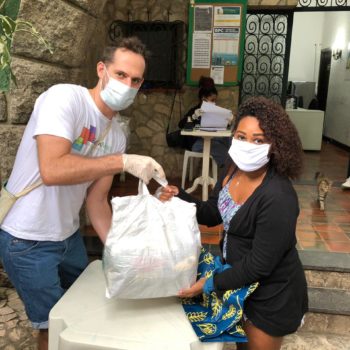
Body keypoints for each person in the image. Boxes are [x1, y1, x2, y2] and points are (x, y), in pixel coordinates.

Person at [0, 36, 165, 350]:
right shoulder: (64, 99)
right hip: (27, 240)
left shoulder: (115, 134)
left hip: (68, 237)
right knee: (52, 328)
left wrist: (120, 250)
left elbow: (96, 200)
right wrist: (122, 161)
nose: (128, 84)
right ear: (101, 69)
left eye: (136, 80)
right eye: (121, 75)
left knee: (84, 314)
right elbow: (52, 170)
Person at [159, 96, 308, 350]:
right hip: (239, 283)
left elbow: (259, 265)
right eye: (241, 136)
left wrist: (209, 284)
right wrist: (179, 196)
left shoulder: (278, 197)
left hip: (271, 295)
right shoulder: (232, 168)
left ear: (275, 146)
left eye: (258, 140)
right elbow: (212, 213)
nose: (247, 145)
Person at [178, 76, 230, 167]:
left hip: (213, 140)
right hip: (198, 143)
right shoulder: (195, 110)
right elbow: (181, 124)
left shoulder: (215, 111)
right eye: (212, 100)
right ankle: (229, 167)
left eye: (215, 100)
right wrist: (193, 117)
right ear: (203, 99)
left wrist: (228, 122)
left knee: (231, 140)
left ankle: (232, 162)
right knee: (224, 152)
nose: (214, 103)